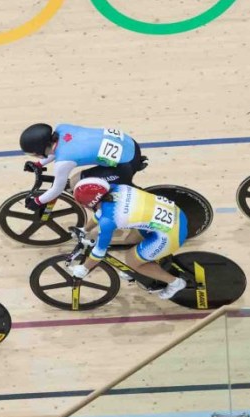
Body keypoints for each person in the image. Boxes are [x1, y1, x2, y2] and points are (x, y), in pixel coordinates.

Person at [67, 178, 189, 301]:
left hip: (170, 235)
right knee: (130, 240)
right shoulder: (118, 188)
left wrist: (84, 268)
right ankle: (143, 267)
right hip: (177, 214)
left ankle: (175, 283)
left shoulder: (109, 220)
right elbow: (100, 212)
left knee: (132, 260)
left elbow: (99, 252)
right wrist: (84, 230)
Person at [18, 123, 146, 213]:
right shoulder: (61, 128)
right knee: (78, 180)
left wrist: (38, 201)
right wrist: (39, 164)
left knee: (80, 187)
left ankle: (112, 215)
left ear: (39, 149)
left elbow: (57, 189)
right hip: (129, 143)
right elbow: (54, 150)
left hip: (125, 165)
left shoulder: (63, 162)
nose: (34, 157)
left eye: (33, 155)